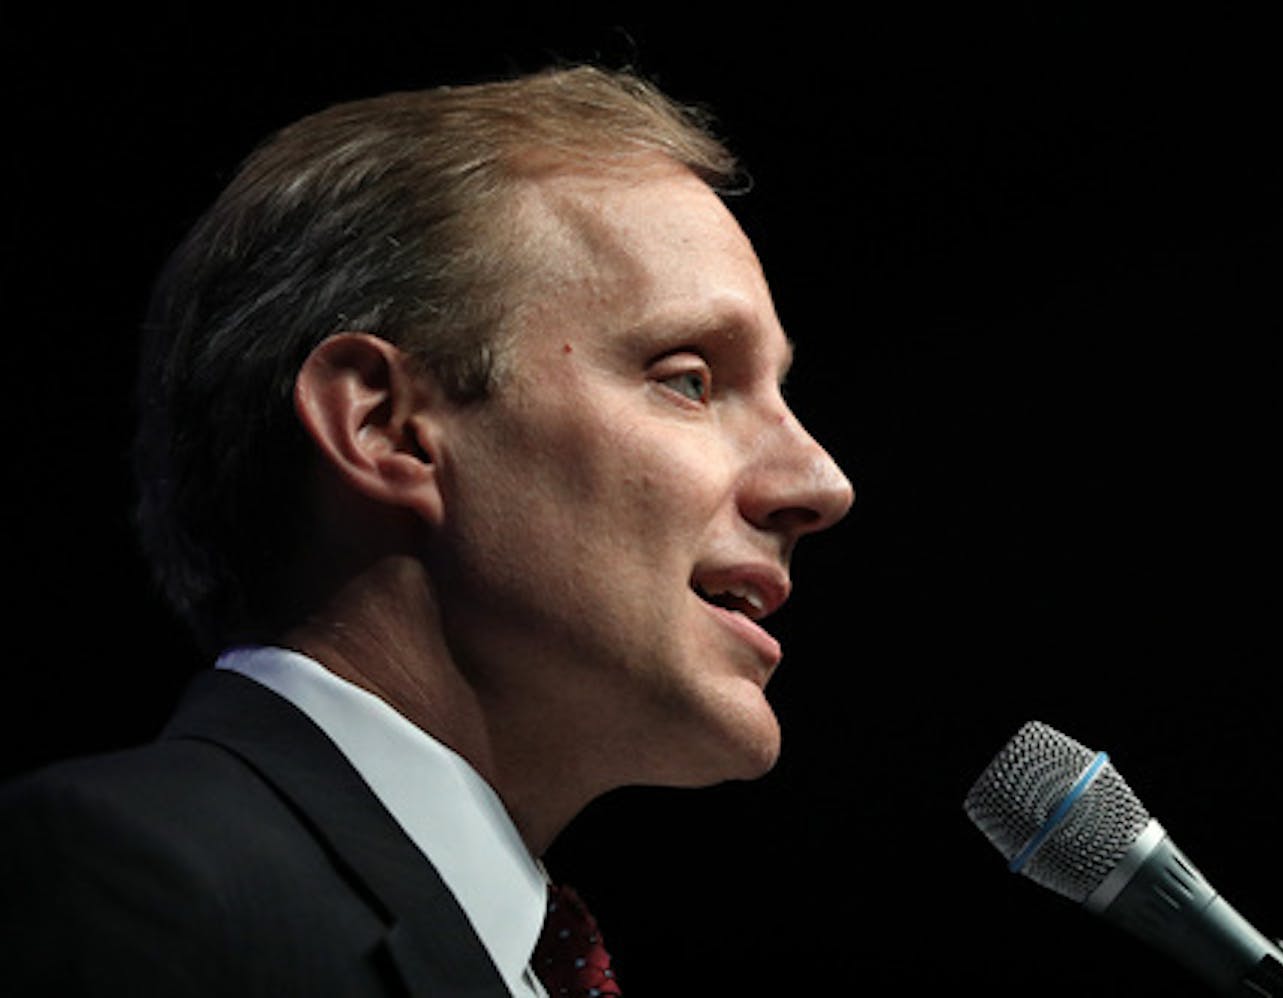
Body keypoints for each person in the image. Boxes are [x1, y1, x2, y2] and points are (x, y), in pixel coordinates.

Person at [0, 65, 854, 995]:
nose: (821, 483)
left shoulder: (514, 955)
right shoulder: (125, 878)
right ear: (387, 428)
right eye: (688, 378)